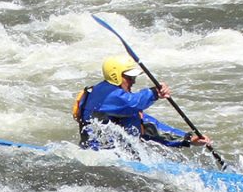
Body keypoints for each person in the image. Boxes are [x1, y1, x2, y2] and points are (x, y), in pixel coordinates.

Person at [74, 55, 209, 150]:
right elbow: (132, 103)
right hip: (100, 159)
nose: (133, 81)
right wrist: (155, 92)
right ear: (116, 75)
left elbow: (149, 125)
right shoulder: (105, 95)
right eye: (130, 77)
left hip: (118, 158)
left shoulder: (120, 106)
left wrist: (187, 138)